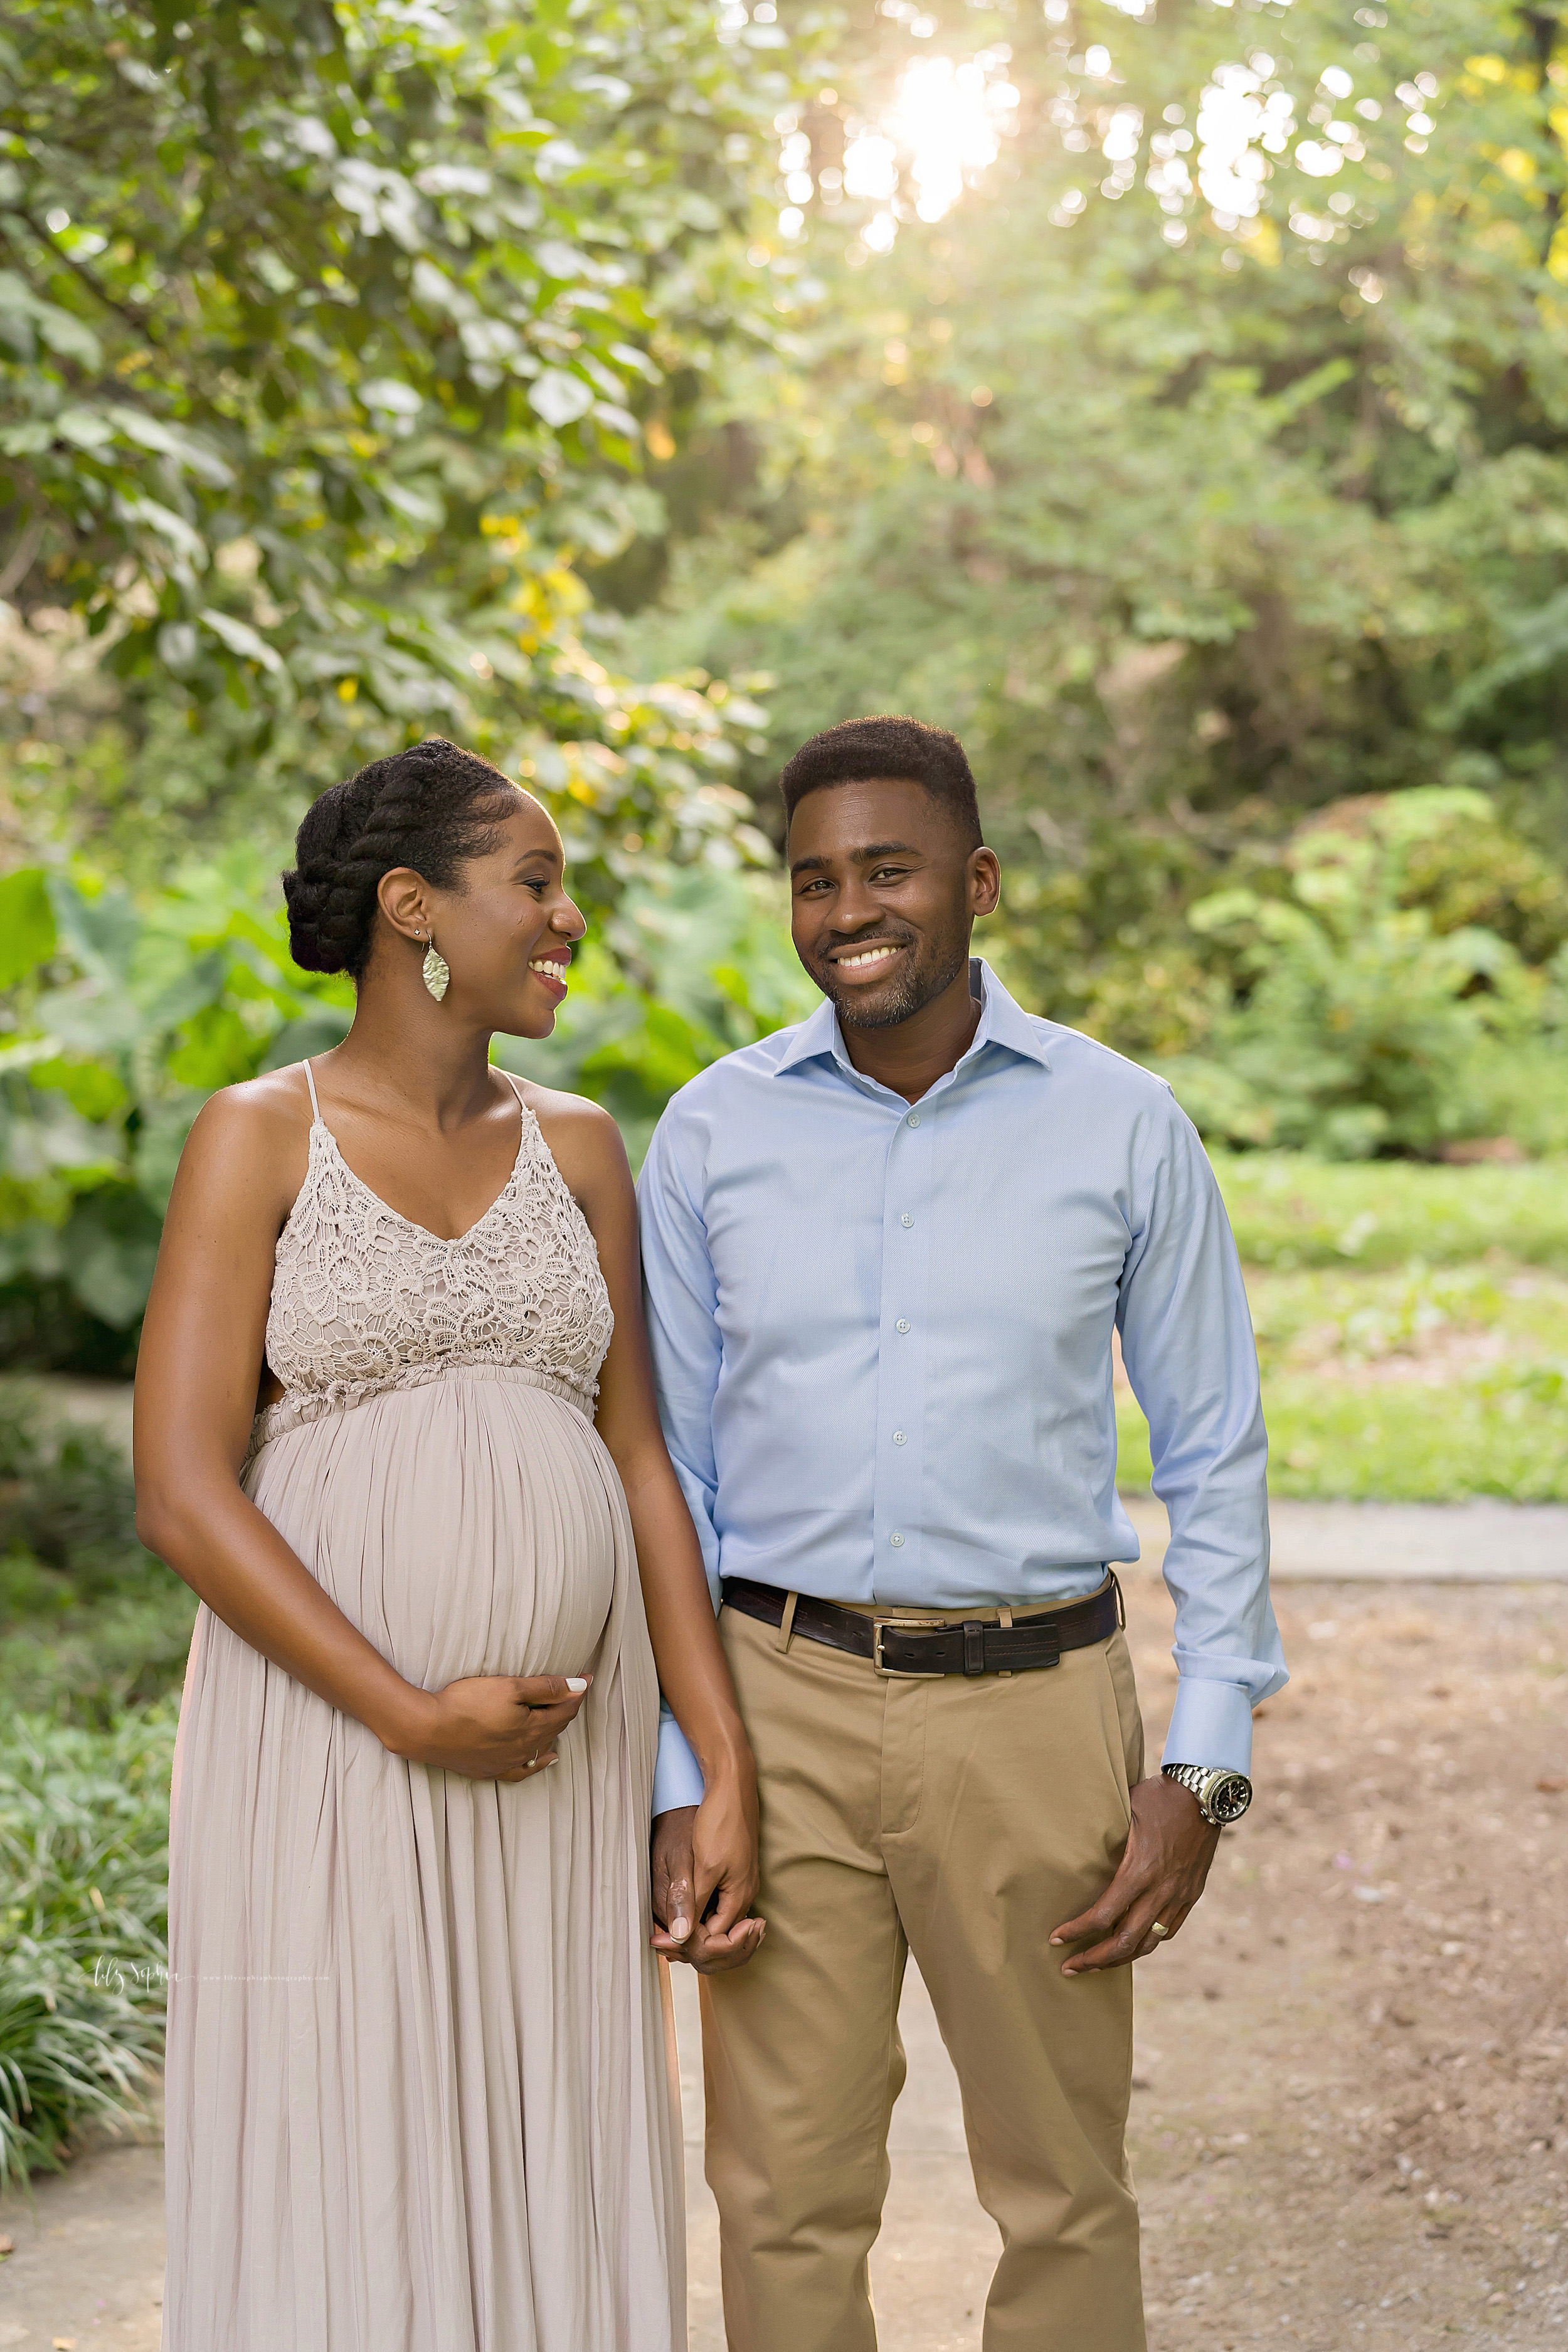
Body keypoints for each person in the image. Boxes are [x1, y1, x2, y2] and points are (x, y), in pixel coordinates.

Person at [637, 716, 1287, 2352]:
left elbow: (1212, 1450)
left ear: (975, 884)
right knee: (777, 2195)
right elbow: (674, 1483)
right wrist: (680, 1772)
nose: (846, 908)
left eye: (886, 870)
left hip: (1031, 1712)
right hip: (770, 1705)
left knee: (1062, 2191)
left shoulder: (1123, 1125)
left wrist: (1204, 1760)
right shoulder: (711, 1135)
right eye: (813, 879)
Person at [134, 736, 764, 2352]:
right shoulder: (258, 1136)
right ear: (412, 907)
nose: (571, 921)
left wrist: (717, 1760)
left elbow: (640, 1462)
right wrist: (404, 1707)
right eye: (537, 885)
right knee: (352, 2134)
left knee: (546, 2115)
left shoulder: (580, 1150)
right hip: (332, 1736)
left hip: (564, 1759)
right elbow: (186, 1491)